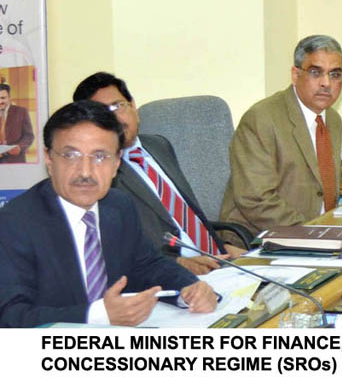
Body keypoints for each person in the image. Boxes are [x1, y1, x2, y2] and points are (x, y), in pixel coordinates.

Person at [0, 100, 217, 327]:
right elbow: (10, 316)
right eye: (71, 155)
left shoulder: (119, 206)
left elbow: (148, 265)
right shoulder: (14, 223)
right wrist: (98, 315)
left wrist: (189, 288)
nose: (85, 171)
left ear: (116, 163)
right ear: (49, 159)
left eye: (100, 157)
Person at [73, 72, 243, 275]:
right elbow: (118, 250)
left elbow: (186, 215)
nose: (114, 119)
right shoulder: (98, 175)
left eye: (118, 106)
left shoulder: (158, 145)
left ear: (133, 106)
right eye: (101, 113)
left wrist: (221, 247)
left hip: (220, 260)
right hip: (175, 275)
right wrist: (179, 263)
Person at [220, 35, 342, 237]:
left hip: (316, 234)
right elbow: (255, 199)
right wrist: (313, 234)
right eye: (316, 72)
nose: (326, 83)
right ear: (295, 75)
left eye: (335, 74)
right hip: (260, 238)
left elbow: (326, 187)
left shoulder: (333, 120)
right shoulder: (262, 118)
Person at [0, 82, 34, 164]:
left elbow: (29, 136)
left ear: (9, 97)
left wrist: (20, 147)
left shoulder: (21, 112)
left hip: (15, 160)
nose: (0, 101)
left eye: (3, 98)